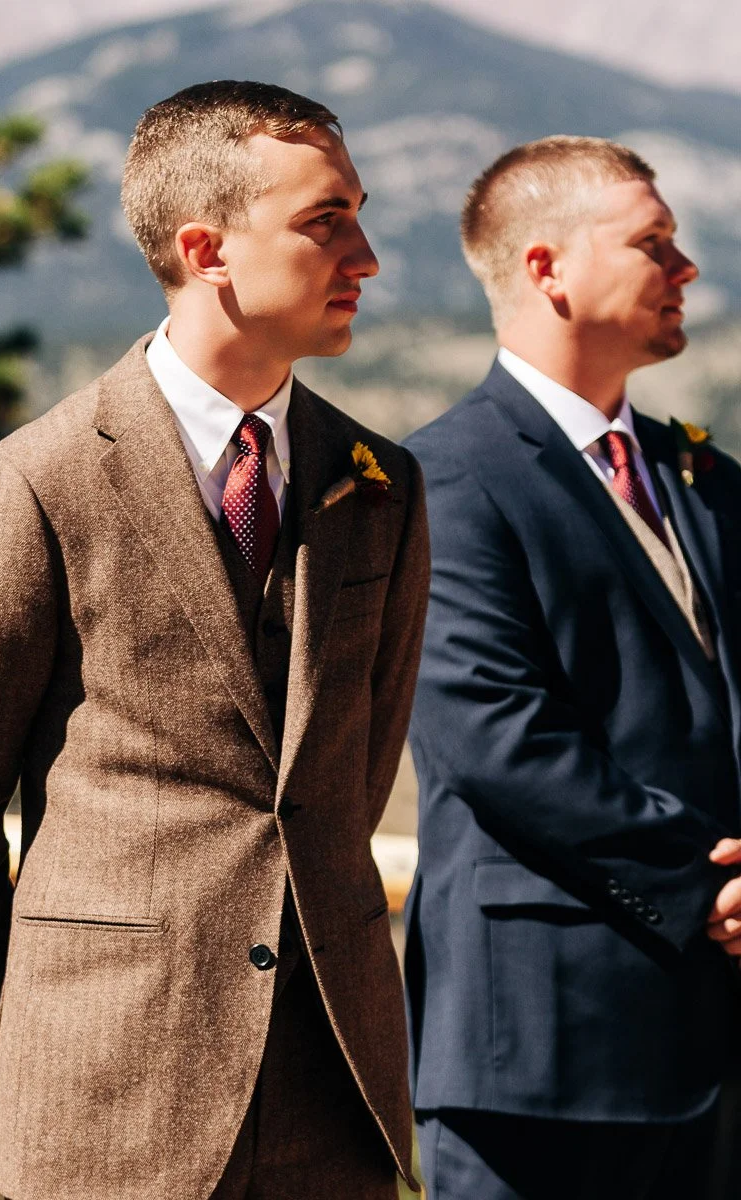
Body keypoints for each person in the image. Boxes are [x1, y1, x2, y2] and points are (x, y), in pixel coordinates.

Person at [0, 80, 429, 1200]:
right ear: (205, 247)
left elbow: (351, 782)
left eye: (356, 212)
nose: (364, 255)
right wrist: (27, 1041)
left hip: (330, 1100)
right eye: (325, 221)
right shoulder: (32, 483)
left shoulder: (383, 484)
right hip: (99, 1101)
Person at [403, 135, 741, 1199]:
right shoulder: (441, 483)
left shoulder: (705, 479)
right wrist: (708, 882)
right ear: (544, 267)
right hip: (542, 1053)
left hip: (716, 1050)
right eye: (653, 243)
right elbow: (498, 742)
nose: (683, 269)